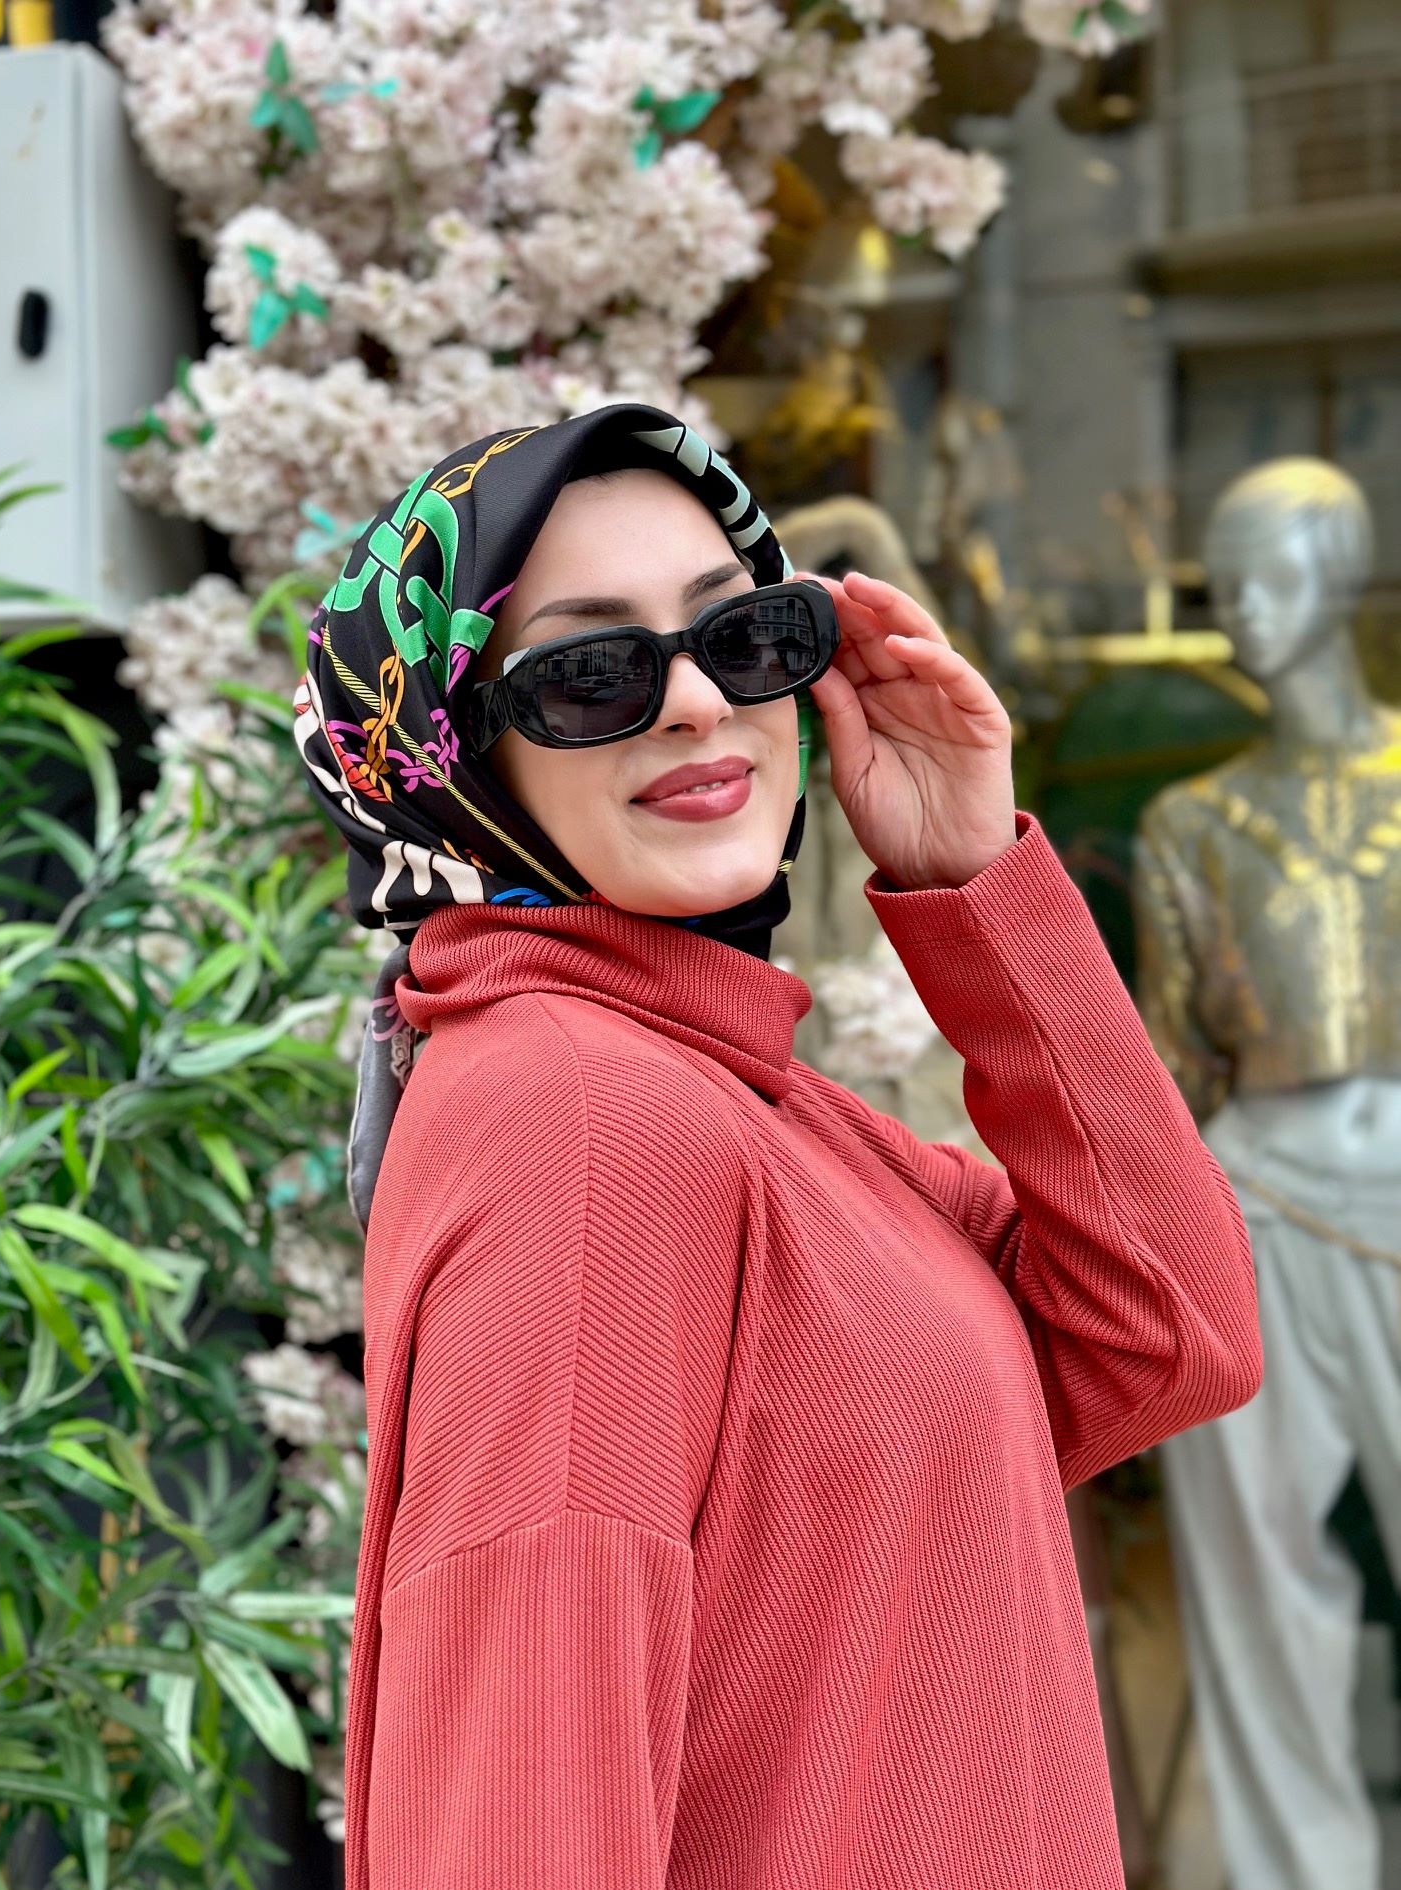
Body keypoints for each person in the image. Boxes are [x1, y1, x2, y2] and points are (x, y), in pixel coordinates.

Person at [294, 402, 1263, 1890]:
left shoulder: (740, 1100)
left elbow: (1168, 1329)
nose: (696, 702)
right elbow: (523, 1820)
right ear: (454, 765)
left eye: (743, 637)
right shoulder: (581, 1120)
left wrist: (972, 883)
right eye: (590, 674)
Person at [1132, 458, 1401, 1890]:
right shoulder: (1192, 822)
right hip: (1258, 1201)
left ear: (1341, 575)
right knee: (1254, 1570)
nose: (1239, 604)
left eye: (1270, 572)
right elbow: (1176, 1062)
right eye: (1220, 578)